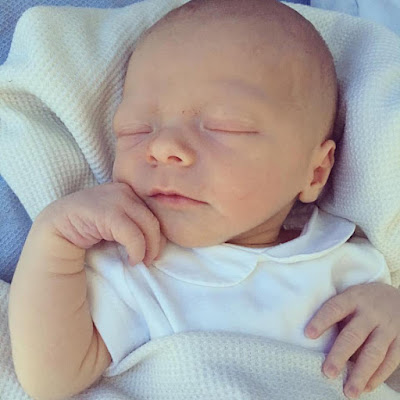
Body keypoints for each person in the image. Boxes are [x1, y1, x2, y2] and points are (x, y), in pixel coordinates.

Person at [8, 0, 400, 399]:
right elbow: (51, 380)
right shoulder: (133, 267)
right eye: (136, 130)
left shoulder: (350, 269)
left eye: (223, 127)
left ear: (314, 172)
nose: (162, 146)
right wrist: (56, 239)